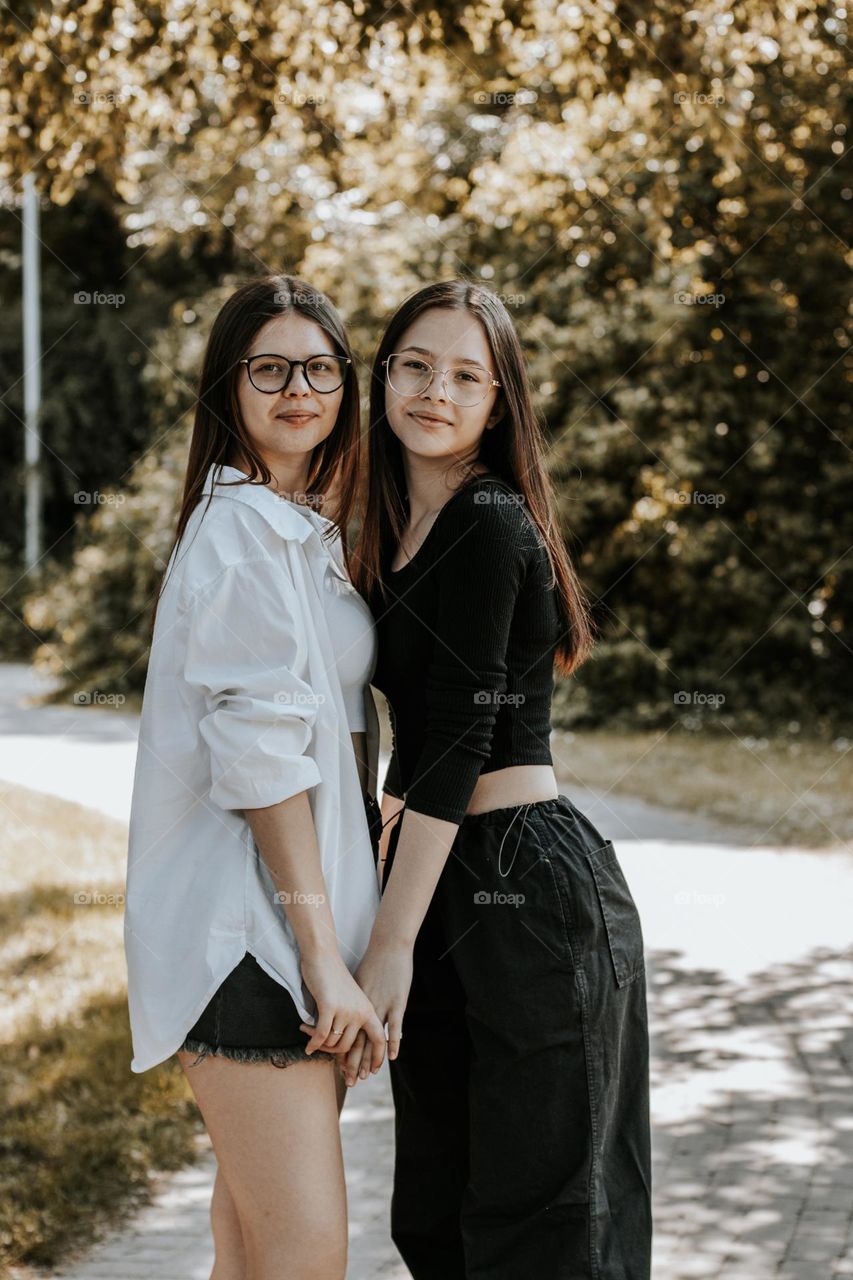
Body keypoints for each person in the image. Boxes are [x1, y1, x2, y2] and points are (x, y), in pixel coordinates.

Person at [344, 280, 653, 1278]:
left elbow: (458, 735)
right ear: (383, 374)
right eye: (416, 365)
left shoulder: (487, 516)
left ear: (497, 399)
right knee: (436, 1211)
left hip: (525, 888)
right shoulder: (380, 524)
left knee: (543, 1224)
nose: (436, 390)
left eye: (466, 374)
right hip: (432, 876)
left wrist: (387, 941)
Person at [123, 274, 386, 1280]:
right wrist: (322, 958)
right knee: (305, 1254)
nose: (297, 389)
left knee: (252, 1251)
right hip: (254, 948)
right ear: (228, 385)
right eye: (268, 368)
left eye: (320, 368)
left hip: (281, 941)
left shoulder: (291, 527)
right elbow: (261, 760)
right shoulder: (241, 533)